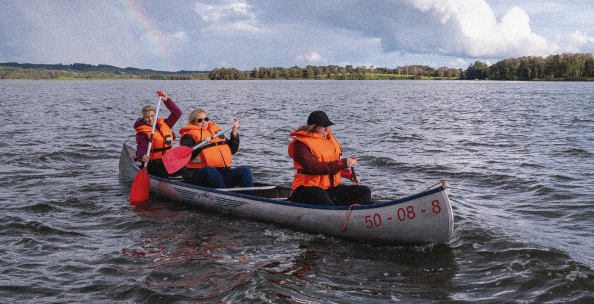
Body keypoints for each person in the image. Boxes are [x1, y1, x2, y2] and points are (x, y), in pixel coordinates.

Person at [288, 110, 371, 206]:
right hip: (305, 190)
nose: (327, 129)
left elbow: (333, 165)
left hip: (330, 189)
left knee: (364, 191)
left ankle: (355, 214)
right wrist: (343, 163)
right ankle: (337, 216)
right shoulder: (301, 144)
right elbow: (313, 167)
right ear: (313, 127)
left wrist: (350, 174)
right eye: (323, 127)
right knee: (319, 194)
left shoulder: (329, 140)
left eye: (328, 126)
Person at [178, 108, 253, 190]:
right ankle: (226, 197)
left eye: (206, 119)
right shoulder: (188, 136)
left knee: (246, 171)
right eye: (200, 120)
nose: (204, 122)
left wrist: (234, 132)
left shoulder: (215, 132)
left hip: (221, 172)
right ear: (193, 122)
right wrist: (201, 145)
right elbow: (185, 155)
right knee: (210, 170)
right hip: (199, 175)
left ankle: (248, 199)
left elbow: (232, 150)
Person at [134, 91, 182, 177]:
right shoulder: (143, 132)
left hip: (168, 160)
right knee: (163, 168)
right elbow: (141, 147)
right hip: (152, 162)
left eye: (152, 116)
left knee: (185, 167)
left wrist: (166, 100)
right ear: (144, 119)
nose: (150, 119)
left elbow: (177, 113)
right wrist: (142, 156)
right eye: (147, 117)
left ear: (156, 115)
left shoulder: (165, 124)